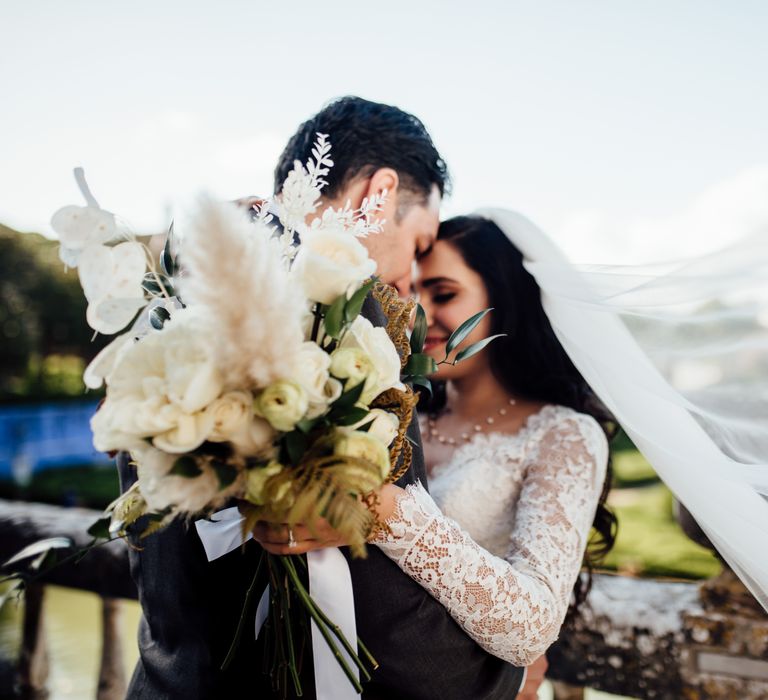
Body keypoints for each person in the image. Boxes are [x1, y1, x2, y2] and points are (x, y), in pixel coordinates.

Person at [118, 97, 526, 699]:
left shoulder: (169, 297)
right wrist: (496, 676)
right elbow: (384, 600)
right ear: (379, 191)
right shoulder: (345, 311)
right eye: (417, 245)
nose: (407, 281)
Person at [259, 214, 617, 698]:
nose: (417, 312)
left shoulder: (565, 435)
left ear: (505, 300)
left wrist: (384, 512)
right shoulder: (397, 415)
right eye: (413, 292)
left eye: (444, 294)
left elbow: (532, 624)